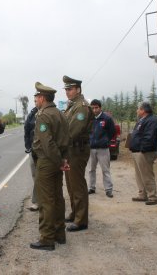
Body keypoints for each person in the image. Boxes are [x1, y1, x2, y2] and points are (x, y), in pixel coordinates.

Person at [30, 82, 70, 251]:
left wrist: (59, 160)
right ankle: (60, 233)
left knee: (46, 200)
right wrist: (63, 159)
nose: (36, 100)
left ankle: (47, 238)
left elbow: (47, 143)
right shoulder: (60, 114)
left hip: (47, 161)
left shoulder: (44, 116)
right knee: (57, 198)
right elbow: (66, 139)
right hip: (56, 160)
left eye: (37, 97)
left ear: (42, 98)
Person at [63, 75, 93, 232]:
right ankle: (75, 213)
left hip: (77, 149)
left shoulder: (81, 106)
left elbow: (73, 130)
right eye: (66, 89)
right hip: (71, 149)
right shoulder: (72, 105)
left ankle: (81, 220)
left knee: (78, 184)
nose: (67, 92)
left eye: (70, 89)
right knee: (71, 184)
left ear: (78, 89)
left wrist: (60, 141)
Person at [129, 102, 157, 205]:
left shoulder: (152, 120)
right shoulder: (141, 120)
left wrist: (143, 149)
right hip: (137, 151)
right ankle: (142, 194)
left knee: (147, 175)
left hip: (145, 152)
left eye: (138, 109)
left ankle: (152, 197)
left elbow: (149, 137)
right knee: (139, 175)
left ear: (143, 110)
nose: (137, 111)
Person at [88, 99, 116, 198]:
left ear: (100, 108)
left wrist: (105, 141)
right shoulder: (89, 119)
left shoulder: (107, 119)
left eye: (96, 108)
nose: (94, 110)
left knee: (105, 170)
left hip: (103, 149)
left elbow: (112, 132)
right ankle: (91, 187)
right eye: (92, 108)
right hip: (91, 149)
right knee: (91, 169)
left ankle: (108, 189)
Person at [24, 100, 38, 211]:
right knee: (35, 176)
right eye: (35, 100)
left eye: (37, 99)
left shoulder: (50, 112)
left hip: (47, 152)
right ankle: (37, 201)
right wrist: (28, 146)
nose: (36, 101)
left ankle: (49, 201)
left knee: (47, 177)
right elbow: (27, 131)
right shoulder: (32, 114)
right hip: (33, 151)